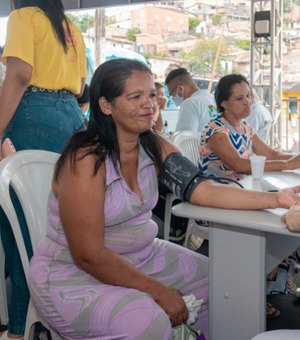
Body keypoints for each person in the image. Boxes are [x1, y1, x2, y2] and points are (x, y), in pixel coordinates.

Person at [28, 58, 300, 339]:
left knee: (222, 283)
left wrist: (275, 199)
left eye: (151, 94)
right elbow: (88, 254)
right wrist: (158, 291)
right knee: (147, 320)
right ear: (106, 105)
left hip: (141, 256)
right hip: (73, 273)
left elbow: (201, 189)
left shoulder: (153, 145)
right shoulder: (86, 160)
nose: (149, 104)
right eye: (136, 97)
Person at [0, 1, 86, 338]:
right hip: (71, 118)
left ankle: (21, 328)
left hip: (32, 115)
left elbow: (19, 76)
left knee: (21, 227)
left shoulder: (24, 17)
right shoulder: (69, 26)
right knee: (60, 228)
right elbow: (79, 86)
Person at [199, 74, 300, 180]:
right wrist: (288, 164)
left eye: (248, 95)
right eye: (239, 98)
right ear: (224, 104)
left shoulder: (246, 128)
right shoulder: (216, 130)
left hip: (242, 186)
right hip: (216, 190)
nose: (247, 101)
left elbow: (271, 154)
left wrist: (295, 158)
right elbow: (238, 165)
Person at [165, 68, 217, 133]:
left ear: (180, 89)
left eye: (172, 95)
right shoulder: (212, 99)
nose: (173, 98)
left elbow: (184, 140)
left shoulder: (189, 103)